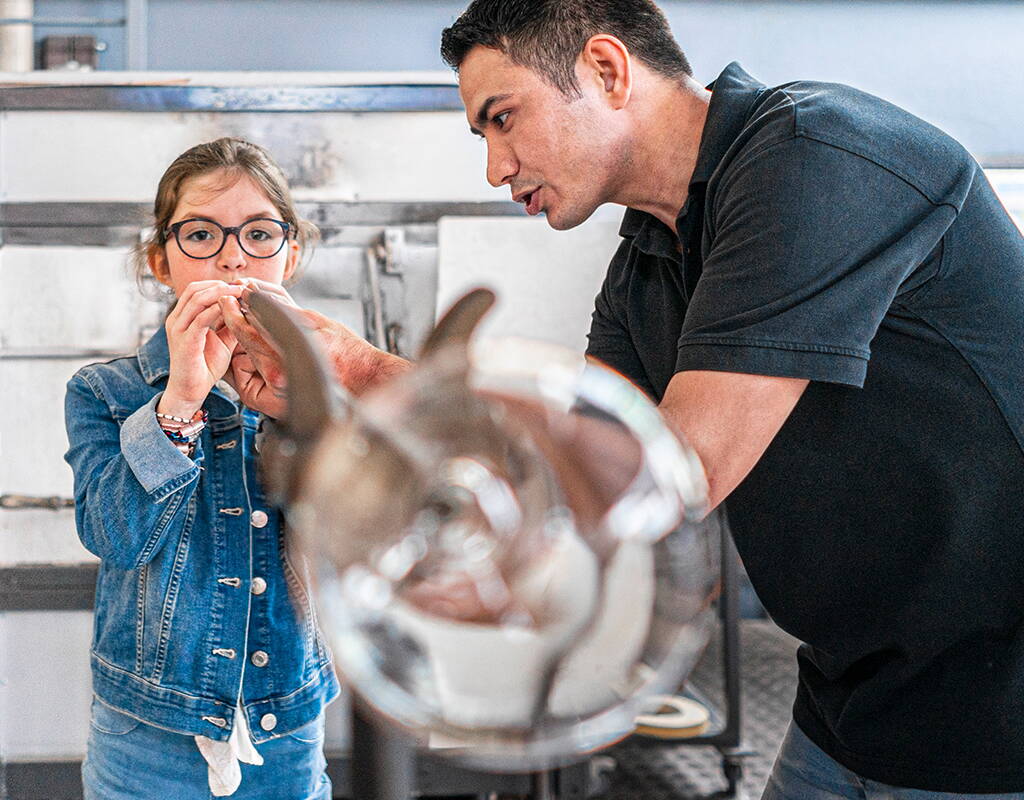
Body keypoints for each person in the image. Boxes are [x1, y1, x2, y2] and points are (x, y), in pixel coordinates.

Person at [227, 1, 1024, 797]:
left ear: (607, 70)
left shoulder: (815, 159)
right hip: (854, 699)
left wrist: (368, 376)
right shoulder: (647, 258)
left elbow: (672, 478)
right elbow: (580, 464)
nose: (496, 167)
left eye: (502, 119)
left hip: (994, 709)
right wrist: (353, 388)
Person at [64, 137, 339, 800]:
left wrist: (305, 408)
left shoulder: (331, 384)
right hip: (147, 736)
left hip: (287, 729)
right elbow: (117, 536)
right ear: (160, 261)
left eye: (259, 233)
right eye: (200, 234)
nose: (232, 255)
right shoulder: (104, 391)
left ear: (291, 253)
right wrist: (181, 401)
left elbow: (357, 544)